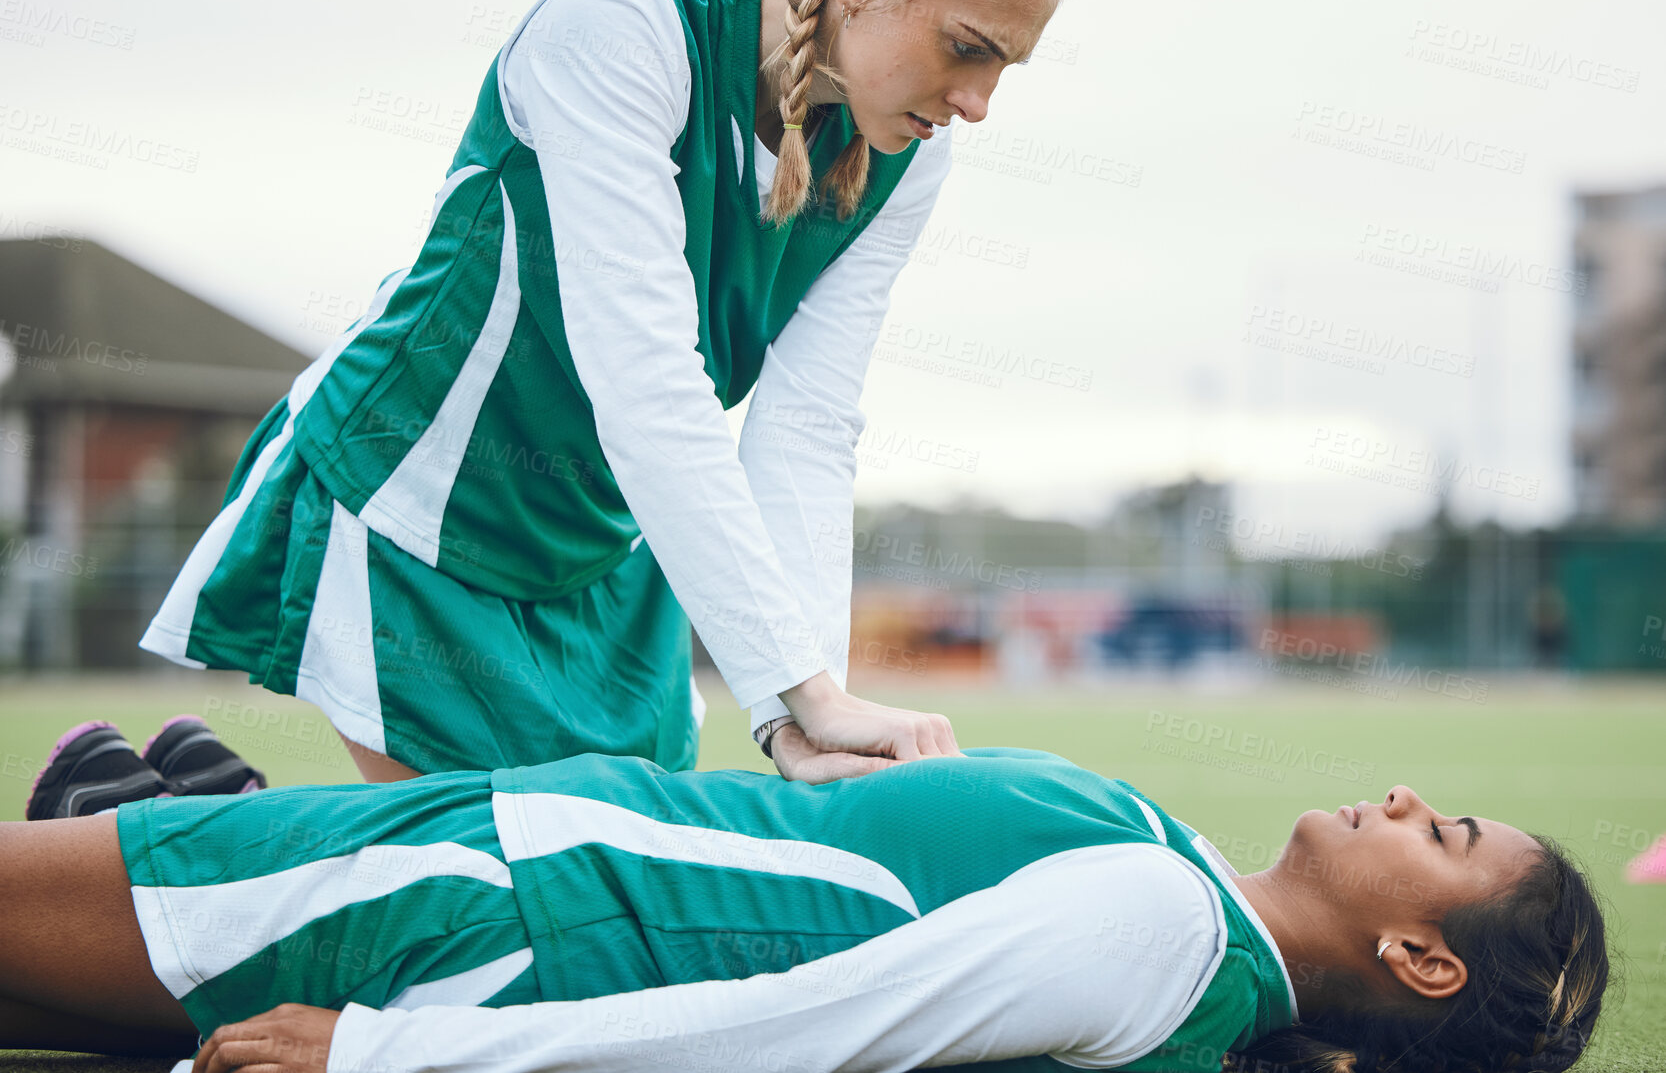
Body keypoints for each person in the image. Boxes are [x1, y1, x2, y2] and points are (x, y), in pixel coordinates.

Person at [134, 0, 1085, 787]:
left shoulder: (909, 158)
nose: (979, 103)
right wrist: (803, 689)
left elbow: (805, 426)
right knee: (473, 913)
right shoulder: (621, 23)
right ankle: (143, 844)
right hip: (422, 510)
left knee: (606, 922)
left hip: (607, 558)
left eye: (1006, 65)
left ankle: (167, 806)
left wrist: (810, 703)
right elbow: (646, 382)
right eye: (969, 47)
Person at [1, 747, 1608, 1073]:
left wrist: (384, 1056)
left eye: (1444, 828)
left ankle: (141, 795)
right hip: (518, 861)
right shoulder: (1185, 888)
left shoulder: (1166, 930)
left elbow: (797, 1028)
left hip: (501, 900)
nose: (1404, 792)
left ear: (1418, 949)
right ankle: (148, 790)